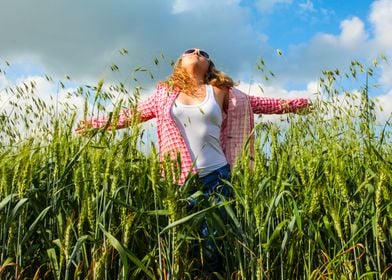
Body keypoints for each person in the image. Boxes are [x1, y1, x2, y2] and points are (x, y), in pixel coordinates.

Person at [76, 48, 310, 275]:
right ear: (179, 62)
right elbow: (131, 114)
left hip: (217, 175)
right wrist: (94, 124)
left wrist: (300, 104)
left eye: (203, 53)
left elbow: (262, 104)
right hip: (178, 178)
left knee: (212, 242)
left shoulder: (222, 91)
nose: (197, 52)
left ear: (209, 65)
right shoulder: (164, 92)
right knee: (180, 241)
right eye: (191, 50)